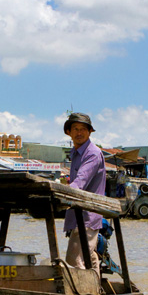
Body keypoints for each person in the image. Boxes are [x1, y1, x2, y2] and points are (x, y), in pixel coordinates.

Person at [62, 112, 106, 276]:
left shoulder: (92, 153)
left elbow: (79, 183)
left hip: (87, 216)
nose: (79, 133)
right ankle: (96, 290)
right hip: (78, 215)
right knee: (89, 258)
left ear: (89, 132)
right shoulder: (76, 153)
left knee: (74, 261)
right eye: (75, 129)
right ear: (69, 132)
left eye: (83, 129)